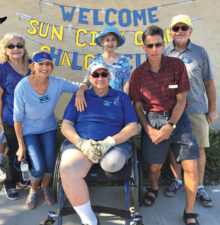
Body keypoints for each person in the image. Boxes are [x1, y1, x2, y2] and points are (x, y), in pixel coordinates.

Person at [129, 25, 200, 225]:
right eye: (150, 45)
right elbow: (138, 106)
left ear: (163, 44)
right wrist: (149, 129)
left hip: (179, 120)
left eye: (158, 44)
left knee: (190, 166)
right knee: (154, 167)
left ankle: (189, 211)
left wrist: (170, 125)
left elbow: (181, 100)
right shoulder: (137, 74)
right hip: (152, 119)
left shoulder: (177, 66)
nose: (154, 49)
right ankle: (153, 187)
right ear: (143, 47)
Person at [60, 61, 138, 225]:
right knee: (67, 169)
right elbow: (66, 125)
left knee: (112, 164)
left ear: (110, 76)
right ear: (89, 77)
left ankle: (100, 157)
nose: (100, 78)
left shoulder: (121, 97)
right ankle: (89, 219)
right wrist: (81, 143)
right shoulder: (80, 95)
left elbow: (132, 128)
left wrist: (109, 142)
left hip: (113, 145)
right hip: (81, 144)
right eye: (95, 74)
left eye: (104, 74)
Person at [14, 51, 88, 209]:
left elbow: (81, 85)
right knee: (39, 166)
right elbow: (17, 118)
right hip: (29, 131)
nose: (45, 67)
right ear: (33, 66)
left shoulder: (57, 83)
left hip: (48, 128)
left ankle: (45, 188)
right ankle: (33, 190)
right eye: (40, 64)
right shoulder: (22, 87)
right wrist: (21, 145)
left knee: (49, 163)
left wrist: (81, 91)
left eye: (48, 64)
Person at [164, 15, 218, 207]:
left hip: (196, 107)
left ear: (190, 31)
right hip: (172, 109)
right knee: (173, 146)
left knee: (199, 148)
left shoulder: (200, 52)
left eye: (183, 27)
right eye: (176, 28)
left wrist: (212, 109)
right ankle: (177, 180)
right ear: (170, 31)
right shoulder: (164, 53)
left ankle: (200, 187)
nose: (179, 31)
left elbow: (209, 82)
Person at [0, 33, 31, 200]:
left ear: (24, 48)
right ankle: (11, 184)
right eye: (11, 46)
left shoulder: (32, 65)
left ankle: (23, 178)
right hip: (11, 118)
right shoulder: (2, 69)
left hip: (32, 118)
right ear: (6, 49)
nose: (16, 49)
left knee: (29, 149)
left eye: (19, 45)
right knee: (14, 151)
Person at [82, 25, 130, 95]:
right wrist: (80, 90)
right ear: (102, 43)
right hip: (98, 100)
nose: (110, 43)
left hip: (117, 101)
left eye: (113, 40)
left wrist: (125, 100)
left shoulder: (124, 61)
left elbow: (126, 83)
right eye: (107, 40)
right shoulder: (96, 61)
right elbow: (88, 80)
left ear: (117, 42)